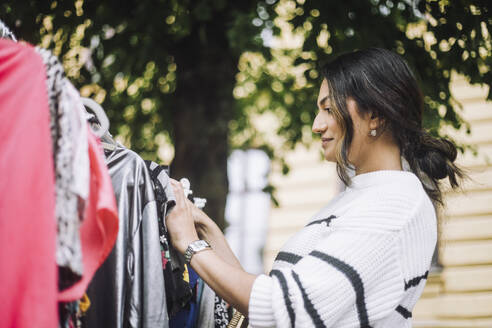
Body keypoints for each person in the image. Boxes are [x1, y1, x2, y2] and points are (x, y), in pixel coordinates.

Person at [165, 48, 463, 328]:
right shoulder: (361, 197)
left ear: (376, 114)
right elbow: (271, 298)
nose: (317, 125)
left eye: (329, 109)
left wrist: (192, 247)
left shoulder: (395, 204)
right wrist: (207, 232)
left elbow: (282, 308)